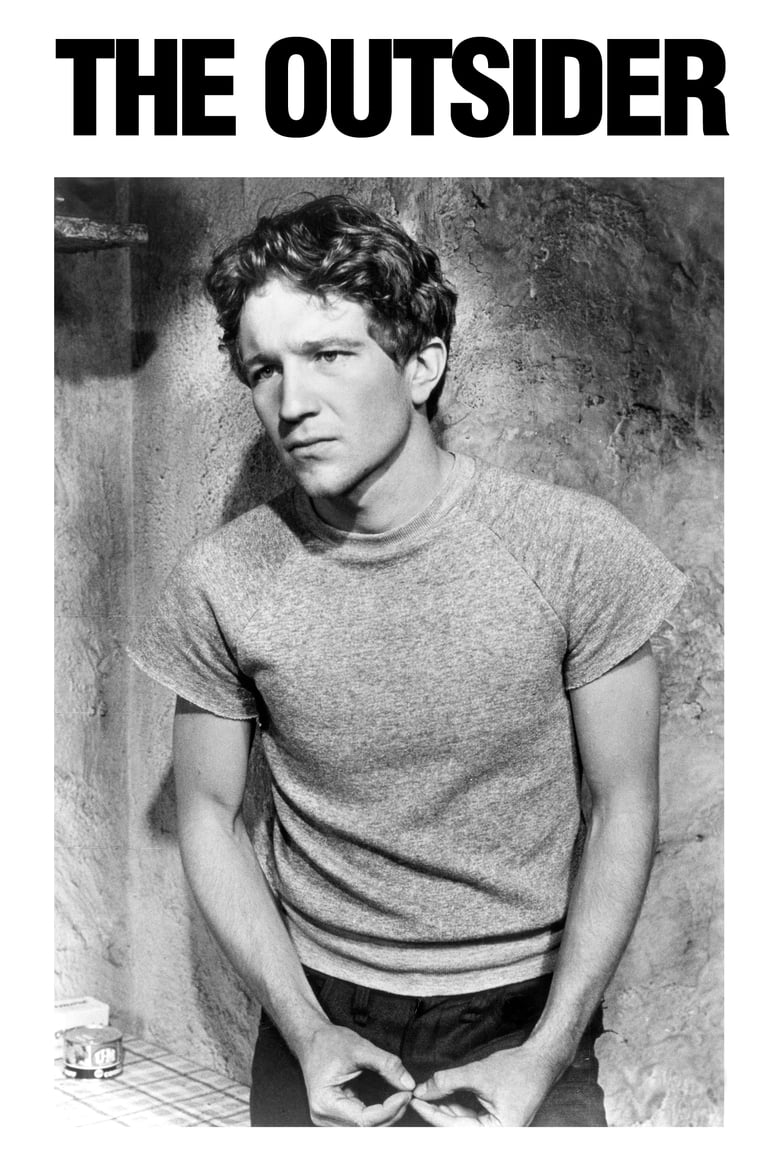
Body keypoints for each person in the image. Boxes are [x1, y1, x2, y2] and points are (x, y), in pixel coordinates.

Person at [129, 193, 686, 1127]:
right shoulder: (221, 579)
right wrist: (305, 1031)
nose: (292, 403)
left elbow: (624, 802)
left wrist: (549, 1049)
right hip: (317, 1009)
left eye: (329, 355)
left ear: (421, 365)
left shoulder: (575, 549)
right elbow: (208, 814)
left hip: (524, 1011)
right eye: (264, 369)